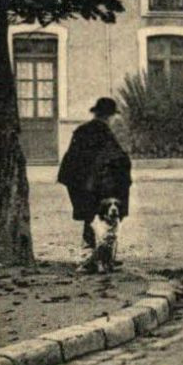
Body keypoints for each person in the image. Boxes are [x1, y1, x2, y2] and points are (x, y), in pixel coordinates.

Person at [57, 97, 133, 268]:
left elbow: (72, 160)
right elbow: (113, 159)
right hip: (91, 181)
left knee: (90, 217)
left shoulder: (83, 130)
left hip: (77, 180)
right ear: (109, 116)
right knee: (99, 217)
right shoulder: (103, 132)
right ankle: (96, 256)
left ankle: (94, 255)